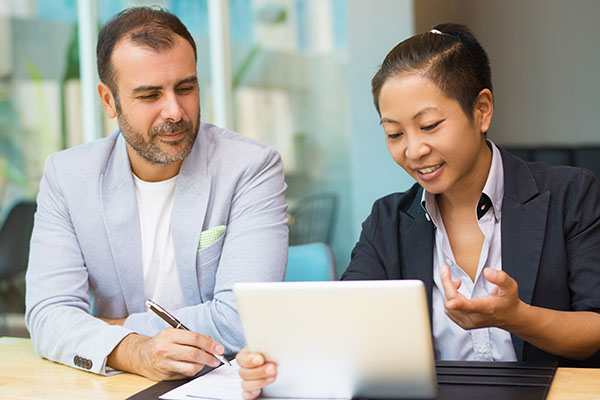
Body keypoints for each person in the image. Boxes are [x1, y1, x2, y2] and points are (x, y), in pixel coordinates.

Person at [235, 23, 600, 399]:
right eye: (394, 134)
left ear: (482, 110)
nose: (413, 150)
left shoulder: (570, 194)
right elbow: (344, 328)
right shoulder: (388, 222)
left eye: (429, 125)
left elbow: (595, 329)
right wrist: (271, 361)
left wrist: (517, 317)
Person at [25, 7, 288, 381]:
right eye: (150, 95)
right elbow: (48, 314)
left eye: (186, 88)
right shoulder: (67, 177)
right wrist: (133, 351)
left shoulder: (251, 167)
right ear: (108, 101)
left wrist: (104, 330)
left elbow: (241, 319)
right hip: (119, 385)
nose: (175, 111)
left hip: (221, 380)